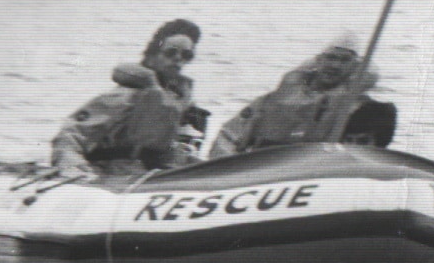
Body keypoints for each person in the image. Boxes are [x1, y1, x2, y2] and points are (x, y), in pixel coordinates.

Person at [51, 19, 210, 175]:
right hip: (114, 174)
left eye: (186, 55)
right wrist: (73, 167)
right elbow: (71, 134)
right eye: (170, 52)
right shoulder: (127, 94)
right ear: (152, 55)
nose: (178, 59)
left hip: (153, 174)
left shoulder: (180, 101)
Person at [209, 33, 396, 159]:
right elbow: (229, 136)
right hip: (264, 167)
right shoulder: (274, 99)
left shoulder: (354, 105)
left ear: (355, 66)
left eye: (344, 60)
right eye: (331, 58)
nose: (335, 66)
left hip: (312, 171)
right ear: (318, 60)